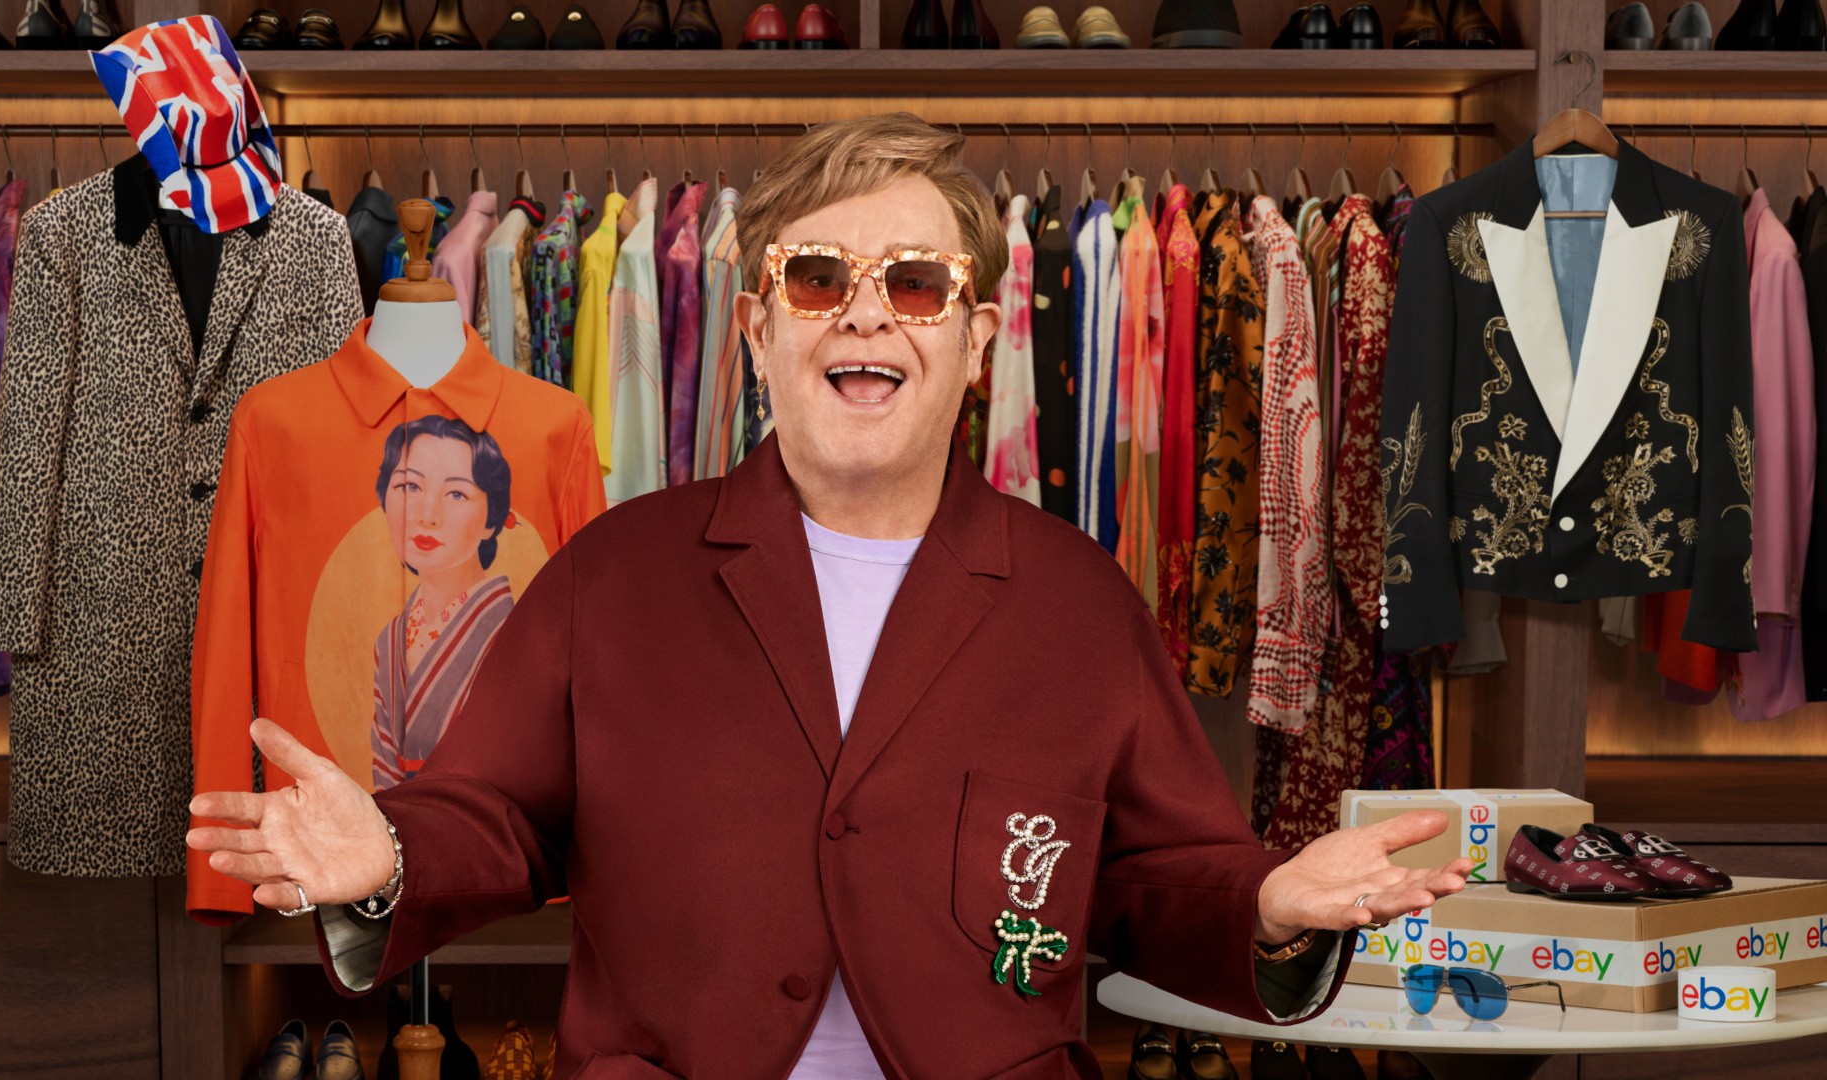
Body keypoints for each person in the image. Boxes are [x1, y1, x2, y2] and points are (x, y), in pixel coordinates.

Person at [188, 113, 1470, 1080]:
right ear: (757, 329)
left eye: (915, 284)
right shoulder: (616, 573)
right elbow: (496, 817)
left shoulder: (1078, 601)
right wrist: (389, 856)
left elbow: (1155, 877)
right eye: (817, 279)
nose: (867, 318)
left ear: (975, 340)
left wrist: (1268, 907)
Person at [370, 414, 517, 789]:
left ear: (490, 520)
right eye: (409, 487)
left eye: (456, 494)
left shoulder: (513, 631)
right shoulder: (389, 640)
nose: (427, 516)